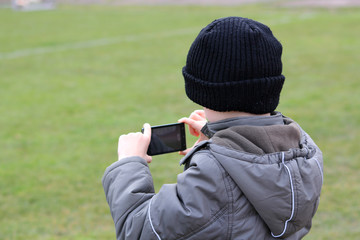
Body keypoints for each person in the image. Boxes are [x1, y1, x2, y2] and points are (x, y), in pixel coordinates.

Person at [102, 16, 323, 239]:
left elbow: (138, 231)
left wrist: (129, 164)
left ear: (203, 91)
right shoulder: (305, 150)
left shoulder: (213, 176)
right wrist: (219, 140)